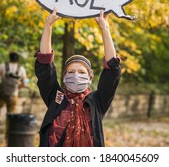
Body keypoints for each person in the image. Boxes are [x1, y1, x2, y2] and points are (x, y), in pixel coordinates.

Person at [35, 8, 121, 147]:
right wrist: (48, 26)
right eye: (71, 72)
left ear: (90, 78)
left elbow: (112, 70)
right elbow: (45, 65)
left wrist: (105, 29)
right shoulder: (55, 98)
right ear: (64, 78)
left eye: (81, 72)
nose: (76, 75)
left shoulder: (97, 102)